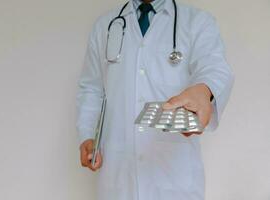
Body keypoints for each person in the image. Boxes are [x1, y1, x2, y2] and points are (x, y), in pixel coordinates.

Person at [76, 0, 234, 199]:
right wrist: (88, 135)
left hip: (173, 180)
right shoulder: (106, 26)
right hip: (118, 177)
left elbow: (215, 68)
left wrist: (204, 90)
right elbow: (92, 88)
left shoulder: (198, 22)